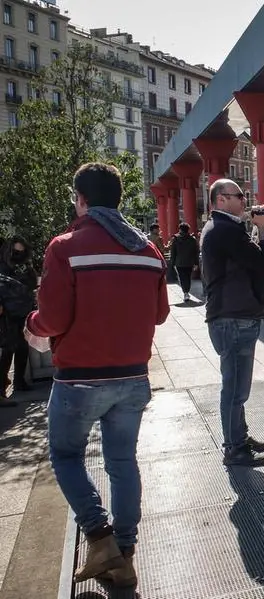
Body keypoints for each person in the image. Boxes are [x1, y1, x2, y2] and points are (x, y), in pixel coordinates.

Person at [25, 162, 169, 587]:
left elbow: (52, 319)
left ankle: (99, 535)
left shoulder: (64, 247)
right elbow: (160, 314)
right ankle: (125, 554)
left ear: (81, 199)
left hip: (79, 379)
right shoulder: (149, 251)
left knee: (66, 455)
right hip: (133, 377)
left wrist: (31, 324)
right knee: (122, 462)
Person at [200, 179, 264, 468]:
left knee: (237, 386)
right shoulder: (224, 230)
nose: (244, 200)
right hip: (233, 318)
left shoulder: (223, 228)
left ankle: (239, 437)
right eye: (238, 196)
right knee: (235, 389)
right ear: (220, 199)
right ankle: (234, 447)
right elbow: (262, 262)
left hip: (234, 315)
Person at [0, 236, 38, 400]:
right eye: (16, 251)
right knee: (8, 349)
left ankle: (19, 381)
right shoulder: (3, 265)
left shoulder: (25, 266)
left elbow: (31, 283)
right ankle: (1, 388)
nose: (19, 255)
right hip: (7, 313)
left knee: (22, 347)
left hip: (23, 310)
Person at [169, 222, 199, 303]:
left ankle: (185, 292)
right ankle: (187, 291)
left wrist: (172, 263)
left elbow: (173, 252)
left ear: (180, 229)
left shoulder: (175, 239)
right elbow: (196, 252)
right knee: (188, 277)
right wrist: (196, 263)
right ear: (188, 229)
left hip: (179, 262)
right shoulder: (192, 239)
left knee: (182, 278)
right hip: (189, 262)